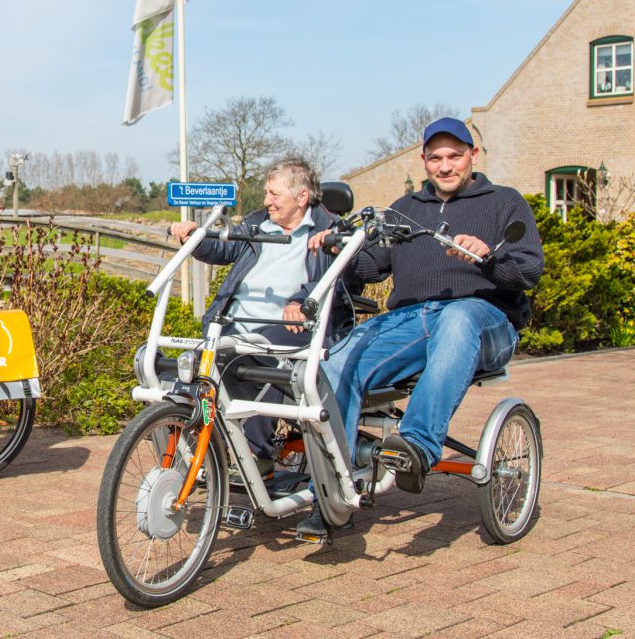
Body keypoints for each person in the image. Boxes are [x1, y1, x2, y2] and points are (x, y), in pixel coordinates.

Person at [296, 118, 543, 537]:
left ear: (473, 157)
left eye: (454, 157)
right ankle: (332, 491)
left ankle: (418, 445)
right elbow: (371, 267)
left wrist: (490, 259)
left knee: (458, 317)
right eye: (436, 158)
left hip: (485, 318)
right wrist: (341, 248)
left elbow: (530, 271)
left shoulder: (505, 202)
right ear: (424, 161)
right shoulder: (405, 209)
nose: (445, 167)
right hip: (414, 320)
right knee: (336, 362)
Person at [169, 158, 352, 471]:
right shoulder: (257, 224)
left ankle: (257, 453)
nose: (267, 200)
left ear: (302, 197)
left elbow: (327, 278)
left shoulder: (328, 231)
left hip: (290, 324)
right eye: (267, 193)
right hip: (232, 321)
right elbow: (222, 249)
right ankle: (185, 436)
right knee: (185, 368)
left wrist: (300, 301)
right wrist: (196, 236)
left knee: (251, 358)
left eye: (274, 194)